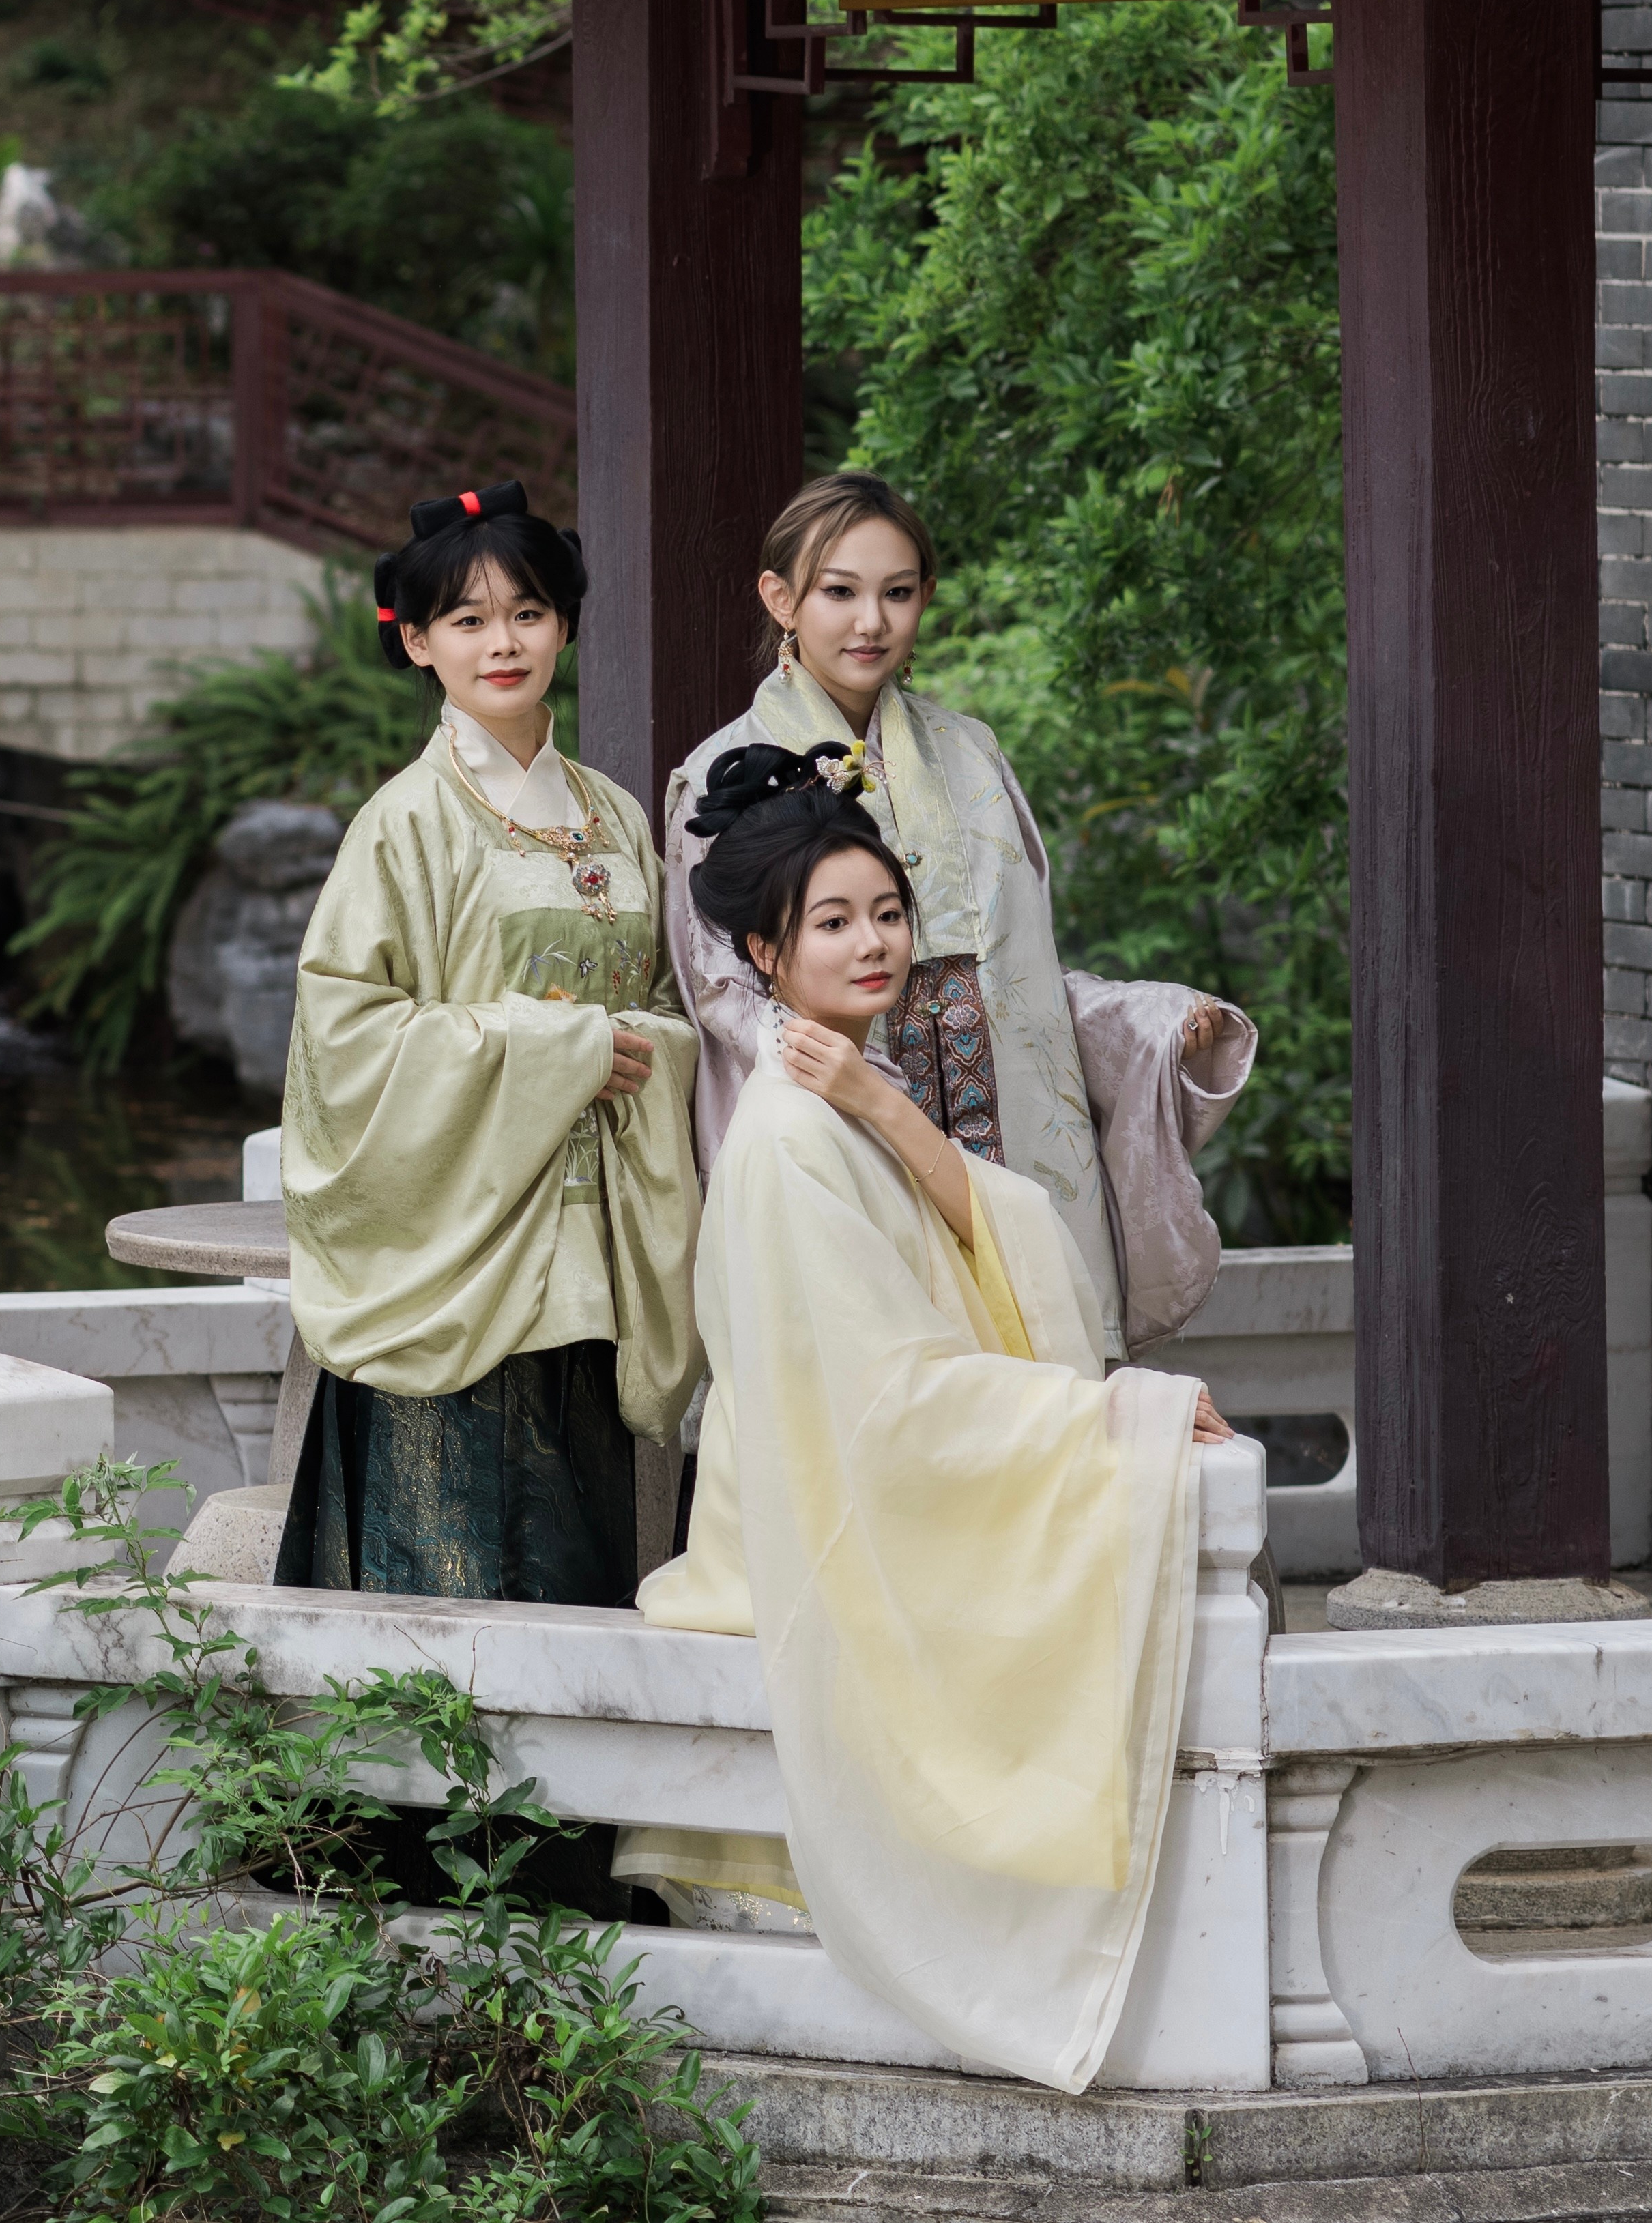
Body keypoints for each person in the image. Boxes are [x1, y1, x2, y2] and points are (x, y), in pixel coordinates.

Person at [622, 743, 1230, 2095]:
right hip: (797, 1544)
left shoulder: (841, 1098)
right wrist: (1114, 1421)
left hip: (834, 1480)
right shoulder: (786, 1138)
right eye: (831, 923)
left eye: (886, 913)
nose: (872, 944)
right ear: (764, 955)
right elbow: (889, 1404)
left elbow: (999, 1235)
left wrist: (885, 1105)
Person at [661, 472, 1253, 1356]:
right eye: (839, 592)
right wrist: (853, 1083)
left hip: (1014, 1160)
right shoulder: (725, 777)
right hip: (846, 1143)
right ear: (780, 598)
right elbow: (719, 990)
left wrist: (1153, 1023)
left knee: (1040, 1402)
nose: (871, 622)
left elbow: (1022, 976)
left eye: (897, 593)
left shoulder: (972, 752)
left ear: (926, 597)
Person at [272, 482, 699, 1609]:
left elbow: (667, 997)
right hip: (459, 1238)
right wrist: (557, 1050)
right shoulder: (403, 822)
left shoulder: (614, 813)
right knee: (449, 1573)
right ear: (417, 643)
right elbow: (344, 1035)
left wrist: (640, 1044)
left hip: (592, 1240)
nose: (501, 643)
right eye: (466, 620)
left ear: (564, 625)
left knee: (580, 1558)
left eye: (527, 612)